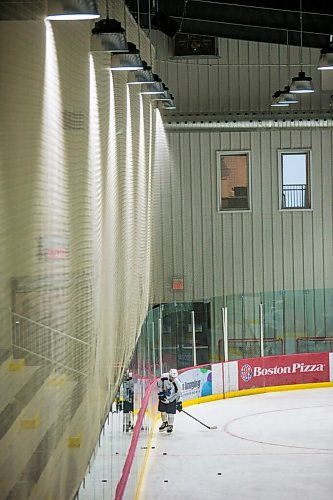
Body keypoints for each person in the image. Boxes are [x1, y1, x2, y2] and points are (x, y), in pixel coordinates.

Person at [157, 368, 182, 434]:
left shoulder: (178, 383)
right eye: (171, 377)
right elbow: (159, 385)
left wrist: (176, 402)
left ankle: (170, 425)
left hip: (172, 398)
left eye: (173, 377)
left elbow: (178, 394)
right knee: (163, 412)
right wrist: (161, 395)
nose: (171, 378)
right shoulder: (163, 377)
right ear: (169, 374)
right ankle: (165, 423)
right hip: (164, 396)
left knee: (171, 414)